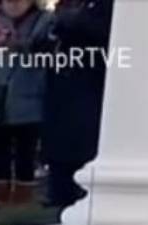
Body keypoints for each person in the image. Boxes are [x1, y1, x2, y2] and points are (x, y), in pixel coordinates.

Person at [0, 0, 55, 207]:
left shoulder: (45, 20)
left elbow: (47, 56)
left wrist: (17, 42)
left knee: (25, 158)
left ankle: (21, 210)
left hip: (29, 99)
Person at [41, 0, 113, 209]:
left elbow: (107, 37)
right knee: (60, 180)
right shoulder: (66, 7)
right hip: (60, 107)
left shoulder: (106, 7)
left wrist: (72, 20)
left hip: (89, 104)